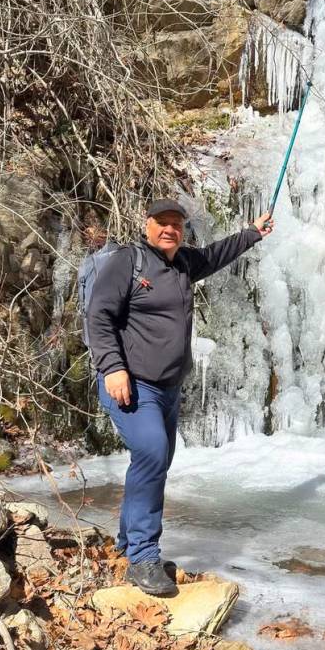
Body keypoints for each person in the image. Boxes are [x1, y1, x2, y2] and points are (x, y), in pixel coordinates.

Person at [86, 198, 273, 595]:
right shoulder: (127, 262)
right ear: (147, 224)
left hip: (169, 388)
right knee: (152, 454)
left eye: (176, 224)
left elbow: (216, 254)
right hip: (131, 384)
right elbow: (98, 316)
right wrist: (112, 368)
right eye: (162, 223)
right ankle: (142, 557)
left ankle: (127, 542)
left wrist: (252, 233)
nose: (169, 229)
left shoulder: (184, 262)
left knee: (155, 462)